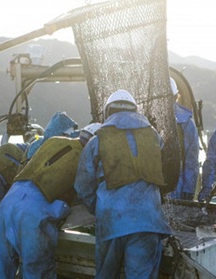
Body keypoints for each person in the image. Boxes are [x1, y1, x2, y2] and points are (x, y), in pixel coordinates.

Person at [74, 89, 172, 278]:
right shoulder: (154, 137)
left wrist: (98, 207)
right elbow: (164, 171)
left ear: (108, 112)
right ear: (135, 110)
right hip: (148, 221)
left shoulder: (97, 140)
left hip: (112, 221)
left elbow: (83, 185)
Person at [0, 122, 100, 279]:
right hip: (33, 215)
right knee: (38, 272)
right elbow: (85, 192)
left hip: (8, 204)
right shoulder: (85, 158)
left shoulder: (54, 140)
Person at [167, 78, 199, 200]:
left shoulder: (186, 123)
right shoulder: (146, 121)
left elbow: (191, 160)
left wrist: (188, 189)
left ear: (175, 97)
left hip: (177, 190)